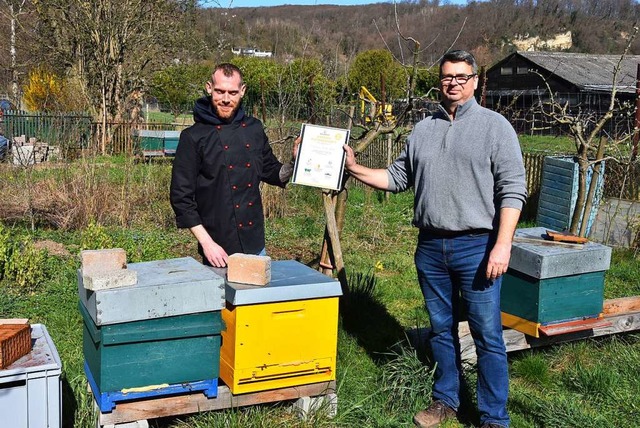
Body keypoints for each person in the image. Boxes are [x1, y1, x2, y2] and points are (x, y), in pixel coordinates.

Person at [343, 50, 526, 428]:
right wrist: (354, 168)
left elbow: (513, 190)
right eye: (447, 77)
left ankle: (494, 417)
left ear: (475, 80)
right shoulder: (423, 129)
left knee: (487, 333)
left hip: (478, 246)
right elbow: (396, 178)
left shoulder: (495, 127)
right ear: (439, 81)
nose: (453, 83)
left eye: (461, 77)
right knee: (441, 328)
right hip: (430, 247)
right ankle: (446, 399)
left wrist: (503, 244)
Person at [170, 63, 297, 267]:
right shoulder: (193, 137)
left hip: (255, 244)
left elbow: (273, 172)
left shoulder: (254, 128)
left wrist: (295, 161)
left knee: (258, 300)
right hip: (218, 249)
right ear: (209, 88)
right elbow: (181, 198)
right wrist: (207, 244)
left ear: (243, 91)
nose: (226, 99)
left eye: (232, 92)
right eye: (220, 91)